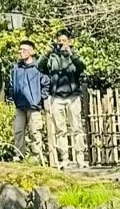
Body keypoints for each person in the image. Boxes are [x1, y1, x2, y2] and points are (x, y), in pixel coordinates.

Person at [36, 32, 88, 168]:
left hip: (73, 96)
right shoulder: (52, 56)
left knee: (76, 128)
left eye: (64, 40)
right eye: (59, 40)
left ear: (69, 41)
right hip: (56, 97)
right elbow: (39, 66)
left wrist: (71, 53)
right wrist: (47, 52)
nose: (61, 43)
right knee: (60, 130)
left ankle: (80, 158)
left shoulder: (73, 55)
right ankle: (64, 158)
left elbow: (82, 67)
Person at [4, 43, 47, 160]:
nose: (21, 52)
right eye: (20, 49)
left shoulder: (38, 67)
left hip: (34, 106)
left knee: (35, 132)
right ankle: (19, 155)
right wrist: (13, 96)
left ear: (31, 52)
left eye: (24, 49)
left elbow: (46, 84)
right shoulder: (16, 68)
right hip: (20, 105)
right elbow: (12, 85)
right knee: (18, 130)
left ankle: (37, 157)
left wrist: (40, 98)